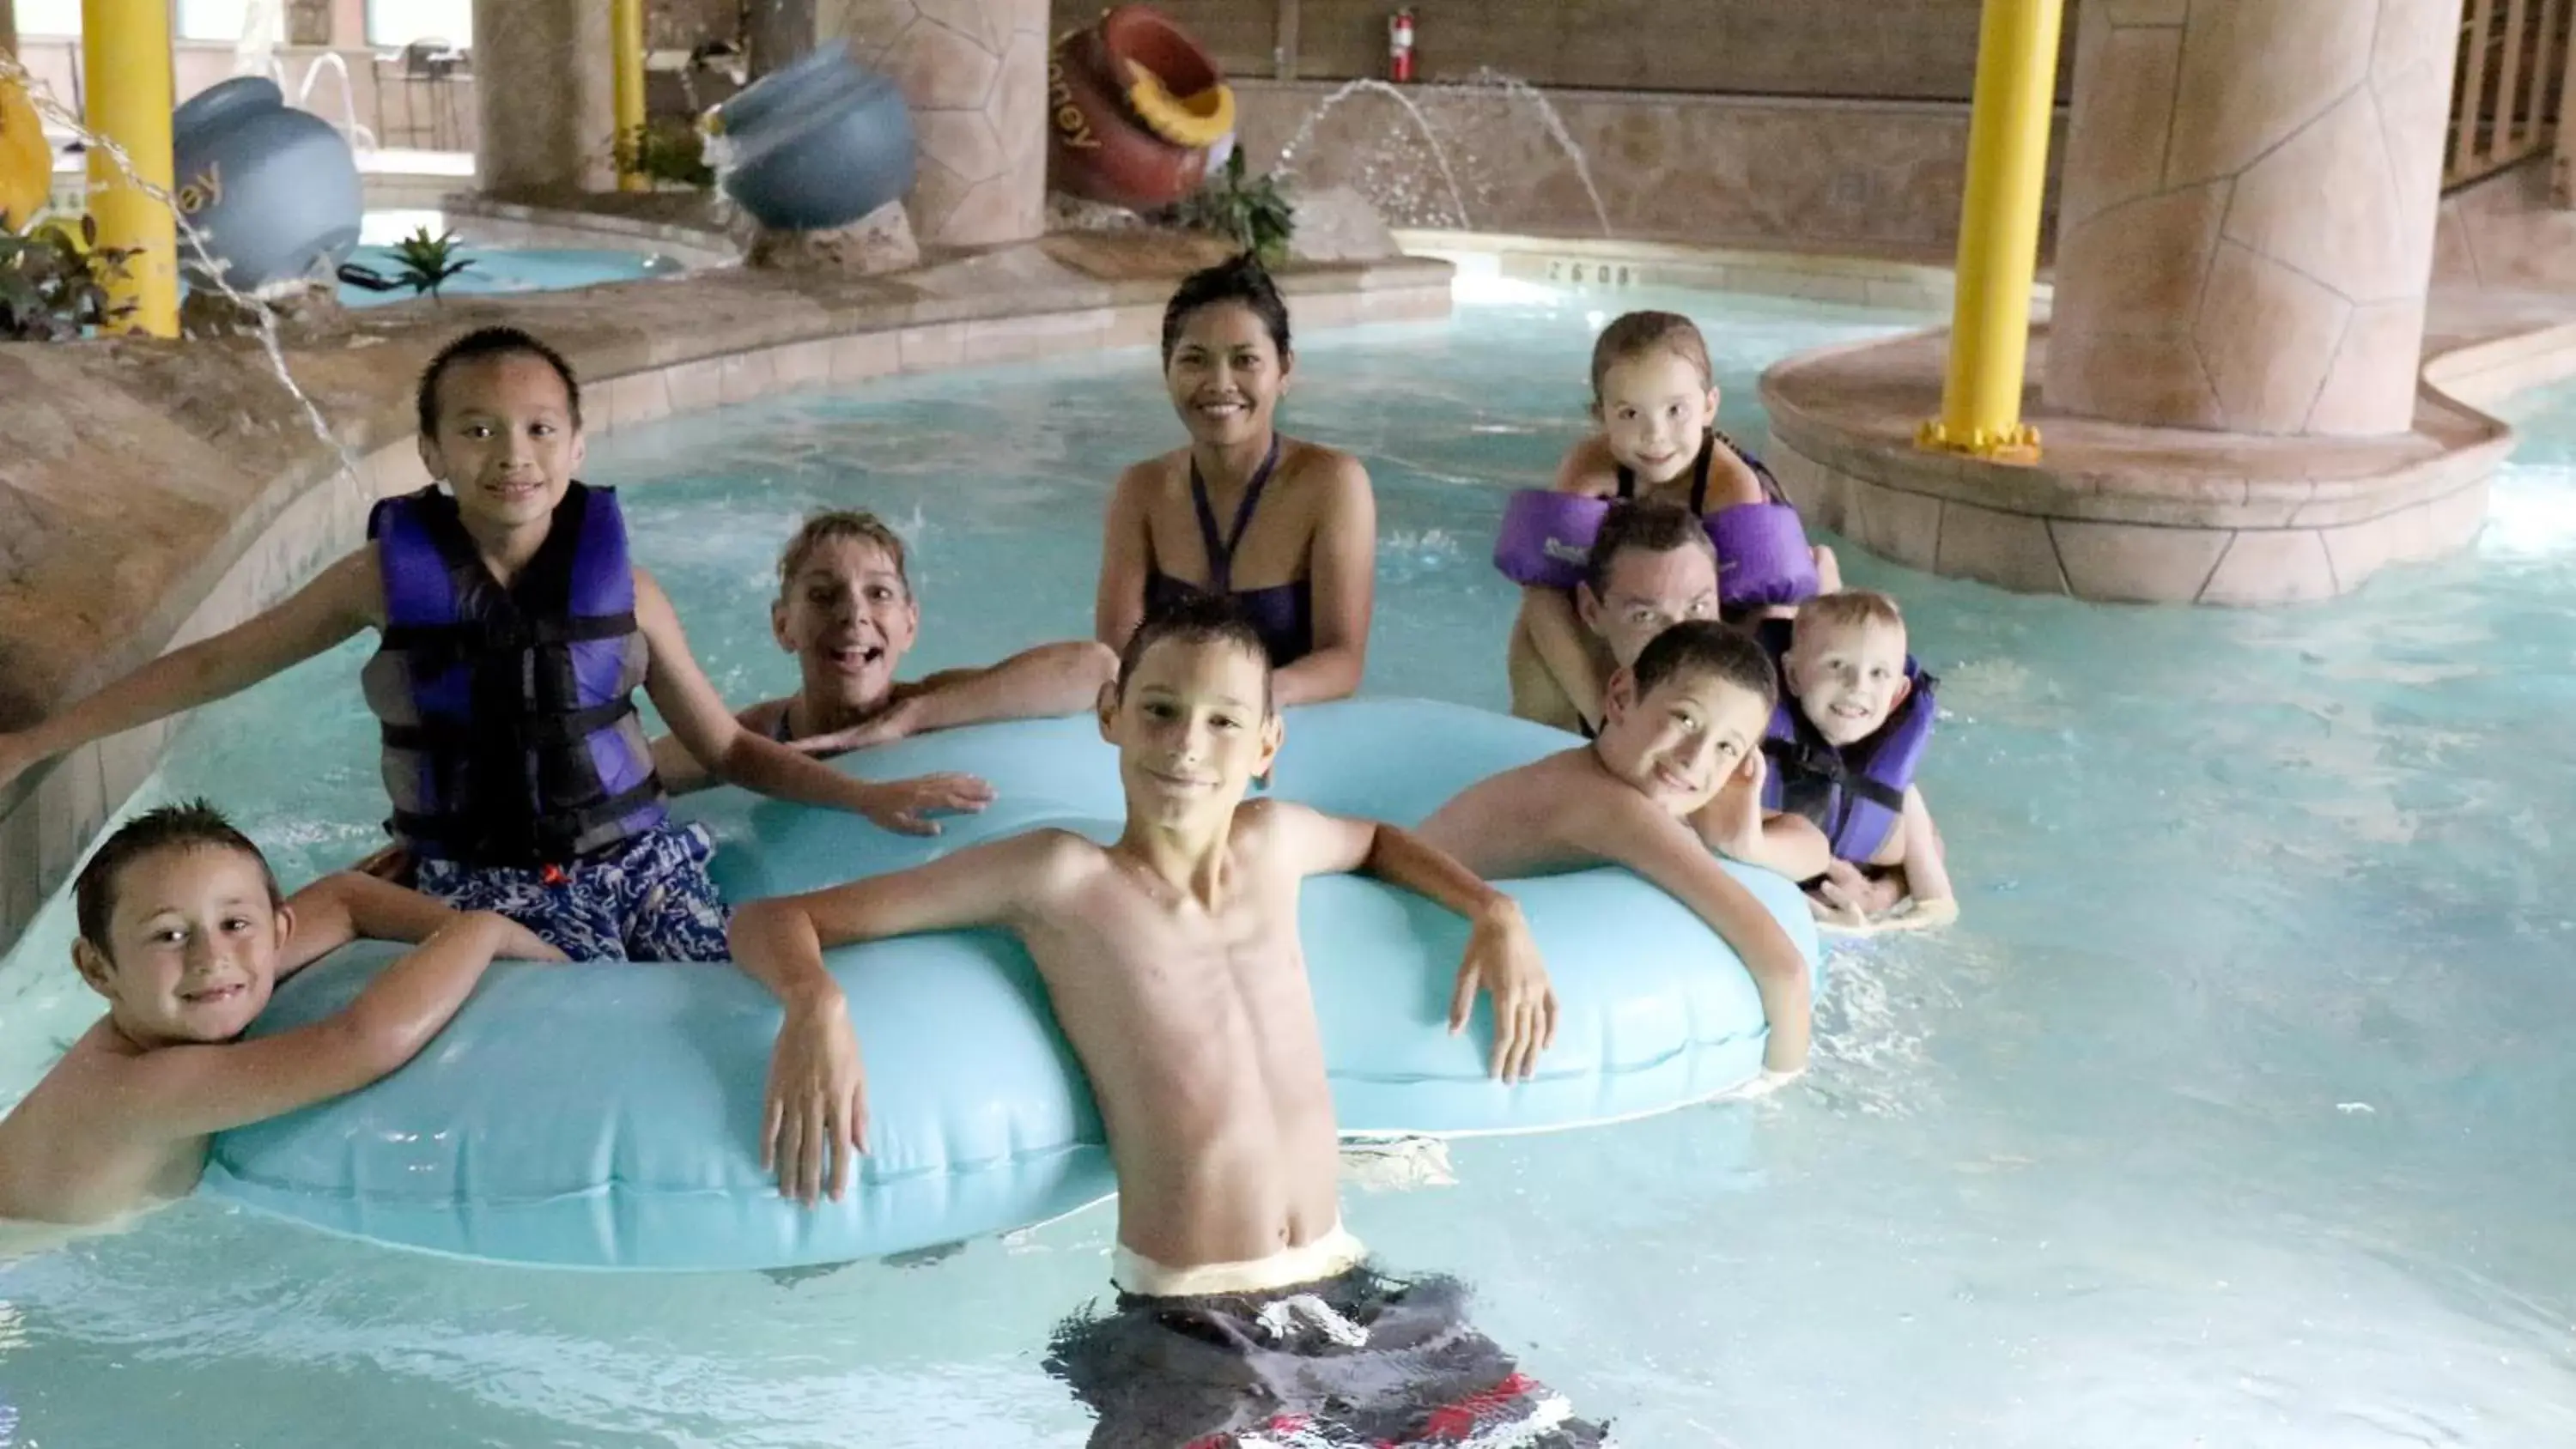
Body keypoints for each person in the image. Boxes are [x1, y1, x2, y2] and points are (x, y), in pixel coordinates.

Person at [727, 597, 1603, 1446]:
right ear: (1110, 714)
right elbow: (773, 919)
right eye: (1160, 709)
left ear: (1268, 741)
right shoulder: (1060, 879)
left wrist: (1494, 912)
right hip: (1199, 1321)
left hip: (1357, 1291)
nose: (1187, 743)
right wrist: (817, 1004)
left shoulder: (1276, 842)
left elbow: (1374, 838)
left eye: (1223, 721)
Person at [0, 326, 992, 962]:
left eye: (538, 428)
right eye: (477, 431)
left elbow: (729, 750)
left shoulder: (631, 594)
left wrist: (864, 793)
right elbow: (217, 663)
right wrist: (35, 742)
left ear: (576, 445)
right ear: (430, 452)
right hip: (473, 883)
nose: (512, 455)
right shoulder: (384, 580)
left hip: (638, 866)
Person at [0, 801, 554, 1225]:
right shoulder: (142, 1087)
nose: (212, 957)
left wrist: (445, 930)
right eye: (168, 935)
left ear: (278, 930)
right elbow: (361, 1043)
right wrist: (480, 930)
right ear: (97, 970)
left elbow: (343, 898)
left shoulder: (200, 982)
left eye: (236, 924)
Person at [1425, 620, 1814, 1082]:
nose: (1695, 758)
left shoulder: (1621, 782)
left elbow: (1814, 844)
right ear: (1622, 696)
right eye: (1685, 719)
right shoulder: (1612, 809)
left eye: (1726, 747)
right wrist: (1777, 1084)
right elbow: (1785, 970)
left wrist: (1746, 843)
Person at [1501, 310, 1836, 728]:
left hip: (1722, 623)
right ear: (1600, 414)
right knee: (1532, 646)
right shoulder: (1589, 469)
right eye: (1629, 414)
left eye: (1676, 410)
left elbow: (1747, 622)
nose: (1655, 434)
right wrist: (1601, 713)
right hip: (1637, 617)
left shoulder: (1729, 487)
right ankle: (1548, 749)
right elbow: (1544, 591)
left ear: (1709, 406)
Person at [650, 509, 1118, 791]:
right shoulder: (754, 739)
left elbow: (1096, 669)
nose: (854, 615)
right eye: (822, 594)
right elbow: (629, 775)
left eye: (879, 594)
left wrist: (911, 718)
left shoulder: (934, 704)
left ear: (910, 624)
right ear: (783, 626)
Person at [1096, 253, 1377, 704]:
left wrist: (1238, 704)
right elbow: (1117, 655)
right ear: (1166, 370)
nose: (1219, 382)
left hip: (1287, 731)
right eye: (1194, 360)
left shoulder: (1332, 484)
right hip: (1172, 727)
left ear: (1284, 370)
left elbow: (1343, 660)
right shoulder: (1142, 489)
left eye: (1245, 360)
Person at [1760, 589, 1955, 931]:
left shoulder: (1901, 795)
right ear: (1792, 675)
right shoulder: (1754, 752)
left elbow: (1939, 907)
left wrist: (1867, 925)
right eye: (1837, 665)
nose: (1857, 687)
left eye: (1878, 674)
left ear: (1898, 694)